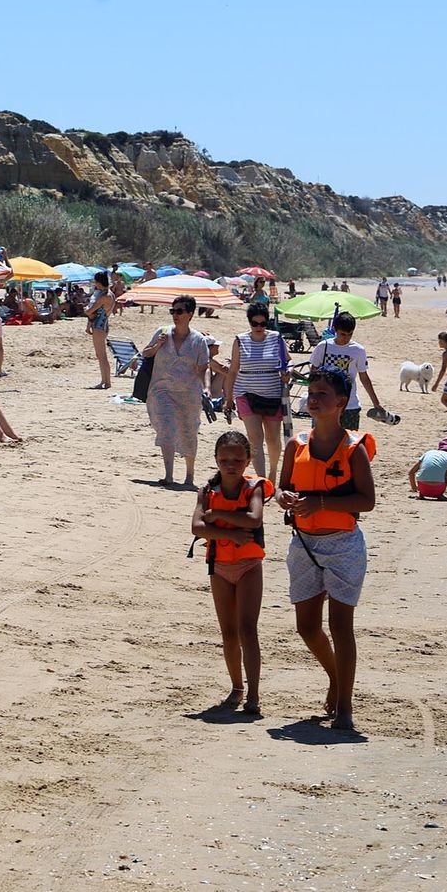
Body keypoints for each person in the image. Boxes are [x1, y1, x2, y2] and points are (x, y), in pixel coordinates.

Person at [276, 368, 375, 734]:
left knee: (340, 625)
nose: (313, 398)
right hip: (303, 544)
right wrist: (284, 497)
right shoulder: (295, 444)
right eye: (311, 392)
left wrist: (321, 503)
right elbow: (282, 488)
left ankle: (345, 706)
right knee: (306, 626)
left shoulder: (353, 449)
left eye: (322, 394)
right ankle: (336, 678)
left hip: (342, 545)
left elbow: (367, 501)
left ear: (341, 404)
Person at [190, 430, 266, 715]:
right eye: (224, 460)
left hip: (248, 567)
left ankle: (254, 694)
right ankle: (237, 687)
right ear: (216, 460)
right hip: (219, 567)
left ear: (248, 460)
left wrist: (219, 517)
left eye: (237, 459)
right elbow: (197, 528)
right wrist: (234, 534)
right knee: (229, 633)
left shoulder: (254, 487)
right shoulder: (207, 490)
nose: (230, 465)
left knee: (248, 630)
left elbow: (255, 518)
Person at [142, 294, 210, 487]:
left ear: (190, 314)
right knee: (166, 428)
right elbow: (145, 354)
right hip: (161, 390)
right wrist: (158, 345)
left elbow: (203, 368)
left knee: (189, 432)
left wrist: (206, 389)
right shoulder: (162, 332)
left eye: (179, 311)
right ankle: (169, 474)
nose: (175, 315)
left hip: (189, 394)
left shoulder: (198, 340)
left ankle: (189, 475)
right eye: (173, 311)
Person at [223, 301, 289, 484]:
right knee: (255, 438)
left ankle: (273, 473)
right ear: (249, 322)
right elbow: (233, 370)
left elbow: (287, 362)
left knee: (274, 440)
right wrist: (229, 399)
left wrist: (288, 372)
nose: (259, 327)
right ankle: (262, 481)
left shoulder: (277, 338)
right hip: (246, 393)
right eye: (255, 323)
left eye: (262, 323)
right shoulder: (240, 340)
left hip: (272, 394)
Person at [308, 312, 384, 431]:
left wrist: (376, 403)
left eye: (350, 334)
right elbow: (313, 374)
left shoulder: (358, 350)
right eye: (343, 334)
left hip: (350, 405)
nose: (346, 338)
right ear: (335, 330)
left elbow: (364, 377)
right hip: (325, 405)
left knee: (349, 445)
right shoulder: (323, 347)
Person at [84, 271, 116, 390]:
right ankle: (106, 381)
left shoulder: (104, 297)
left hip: (99, 327)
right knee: (102, 355)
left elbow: (89, 311)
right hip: (104, 325)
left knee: (101, 356)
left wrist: (86, 309)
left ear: (99, 282)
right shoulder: (110, 294)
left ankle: (105, 381)